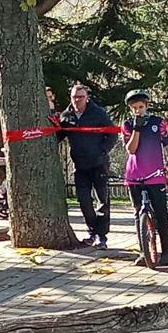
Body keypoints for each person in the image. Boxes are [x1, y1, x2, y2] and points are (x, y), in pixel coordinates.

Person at [122, 89, 168, 266]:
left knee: (161, 213)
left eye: (141, 107)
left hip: (155, 176)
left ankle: (167, 253)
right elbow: (131, 149)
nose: (138, 111)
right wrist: (137, 128)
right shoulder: (127, 125)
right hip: (134, 176)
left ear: (146, 106)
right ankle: (144, 252)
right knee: (138, 212)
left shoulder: (159, 123)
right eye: (134, 108)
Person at [57, 84, 115, 248]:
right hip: (80, 166)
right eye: (74, 97)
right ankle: (92, 231)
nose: (77, 100)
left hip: (99, 164)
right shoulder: (66, 116)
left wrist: (103, 151)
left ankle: (101, 236)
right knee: (84, 201)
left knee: (103, 201)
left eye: (80, 97)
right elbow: (58, 135)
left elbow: (112, 133)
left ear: (87, 97)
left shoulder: (97, 113)